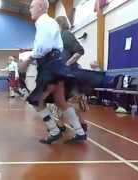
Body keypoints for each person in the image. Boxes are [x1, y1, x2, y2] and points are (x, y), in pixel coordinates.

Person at [19, 0, 87, 144]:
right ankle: (80, 132)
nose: (30, 9)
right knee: (60, 101)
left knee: (37, 100)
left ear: (42, 7)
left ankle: (54, 130)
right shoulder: (49, 23)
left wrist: (28, 59)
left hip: (49, 66)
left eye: (32, 6)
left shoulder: (43, 22)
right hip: (56, 64)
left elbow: (44, 46)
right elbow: (52, 47)